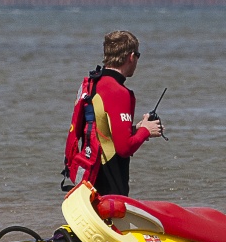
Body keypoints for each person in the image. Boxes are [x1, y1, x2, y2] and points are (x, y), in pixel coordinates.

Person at [62, 30, 163, 196]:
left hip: (89, 178)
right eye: (138, 55)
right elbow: (124, 148)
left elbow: (103, 129)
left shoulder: (95, 83)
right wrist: (146, 131)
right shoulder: (118, 91)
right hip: (109, 184)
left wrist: (137, 128)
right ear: (131, 56)